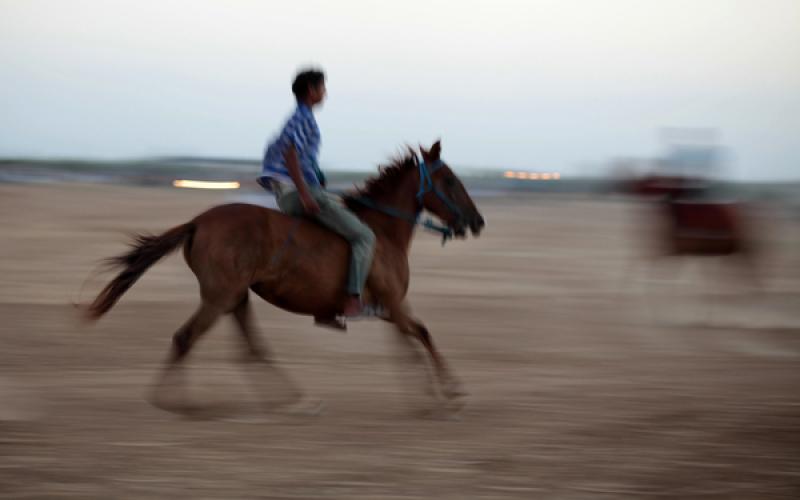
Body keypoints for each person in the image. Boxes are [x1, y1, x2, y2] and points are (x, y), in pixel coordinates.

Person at [259, 68, 375, 329]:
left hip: (293, 193)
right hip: (300, 193)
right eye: (322, 87)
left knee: (335, 231)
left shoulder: (298, 117)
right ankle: (353, 299)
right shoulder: (304, 119)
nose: (325, 93)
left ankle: (325, 307)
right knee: (364, 236)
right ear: (311, 90)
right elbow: (291, 154)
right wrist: (305, 193)